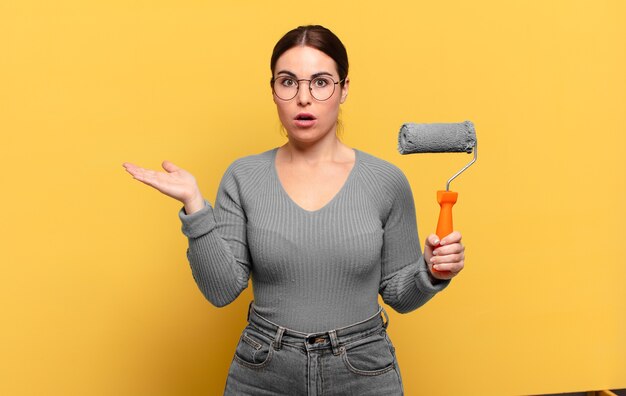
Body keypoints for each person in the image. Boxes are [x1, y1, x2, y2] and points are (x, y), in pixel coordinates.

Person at [123, 25, 465, 396]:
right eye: (288, 82)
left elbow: (399, 295)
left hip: (362, 370)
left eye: (320, 82)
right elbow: (221, 290)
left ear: (344, 88)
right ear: (273, 90)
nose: (304, 98)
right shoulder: (243, 177)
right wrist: (195, 207)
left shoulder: (386, 181)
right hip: (264, 369)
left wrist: (430, 271)